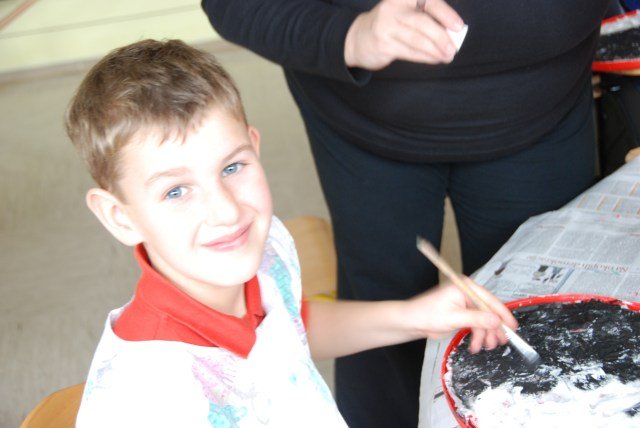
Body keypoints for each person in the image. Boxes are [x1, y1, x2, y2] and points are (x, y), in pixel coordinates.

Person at [65, 39, 516, 427]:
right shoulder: (144, 395)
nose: (227, 211)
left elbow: (289, 326)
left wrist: (413, 316)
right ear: (119, 216)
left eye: (232, 167)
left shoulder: (259, 251)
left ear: (254, 147)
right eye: (176, 191)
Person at [201, 0, 610, 426]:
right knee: (383, 326)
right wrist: (350, 37)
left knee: (535, 322)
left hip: (544, 112)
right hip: (362, 123)